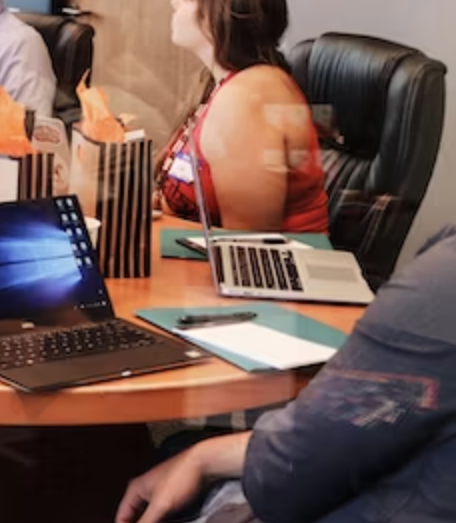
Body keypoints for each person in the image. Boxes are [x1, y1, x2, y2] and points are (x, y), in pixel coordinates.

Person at [116, 224, 456, 523]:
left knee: (124, 474)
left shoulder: (445, 281)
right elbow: (365, 425)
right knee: (181, 449)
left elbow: (286, 485)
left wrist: (203, 457)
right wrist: (205, 456)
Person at [157, 0, 328, 234]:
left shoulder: (248, 97)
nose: (174, 2)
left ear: (215, 16)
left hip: (268, 270)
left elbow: (249, 247)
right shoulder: (223, 84)